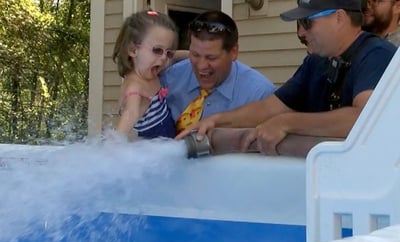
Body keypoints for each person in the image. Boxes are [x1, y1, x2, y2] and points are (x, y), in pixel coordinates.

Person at [176, 0, 397, 157]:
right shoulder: (316, 62)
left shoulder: (378, 55)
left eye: (307, 22)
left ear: (339, 17)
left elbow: (364, 119)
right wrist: (214, 121)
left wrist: (287, 123)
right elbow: (269, 109)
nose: (301, 32)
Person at [160, 10, 276, 134]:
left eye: (211, 58)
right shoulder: (171, 78)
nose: (201, 66)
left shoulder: (261, 95)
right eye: (195, 55)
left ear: (233, 52)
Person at [112, 10, 180, 140]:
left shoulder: (151, 70)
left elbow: (174, 57)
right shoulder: (135, 87)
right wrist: (113, 145)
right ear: (133, 50)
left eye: (168, 52)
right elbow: (130, 113)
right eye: (158, 50)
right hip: (152, 150)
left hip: (168, 143)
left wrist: (194, 56)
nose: (164, 58)